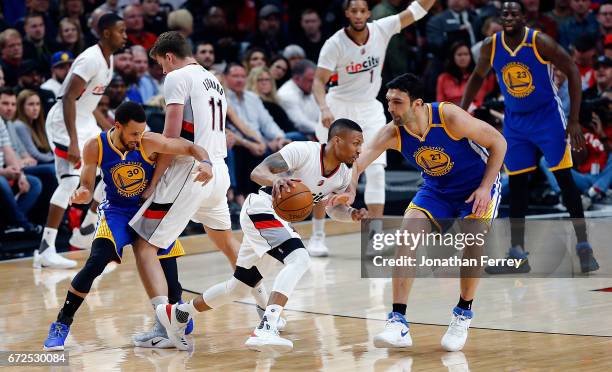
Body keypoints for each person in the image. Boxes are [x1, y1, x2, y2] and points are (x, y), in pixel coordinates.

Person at [157, 119, 368, 352]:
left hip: (278, 220)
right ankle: (267, 327)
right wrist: (275, 179)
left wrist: (352, 214)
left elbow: (332, 209)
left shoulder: (342, 176)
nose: (359, 150)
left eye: (361, 144)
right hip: (261, 207)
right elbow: (258, 172)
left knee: (239, 287)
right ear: (337, 140)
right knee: (300, 259)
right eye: (356, 143)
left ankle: (178, 313)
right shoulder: (303, 150)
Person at [344, 73, 506, 351]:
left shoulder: (449, 117)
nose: (391, 108)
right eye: (388, 101)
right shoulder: (392, 132)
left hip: (476, 186)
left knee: (473, 240)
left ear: (417, 104)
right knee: (407, 236)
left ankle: (463, 313)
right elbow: (358, 163)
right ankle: (398, 322)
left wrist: (485, 187)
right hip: (437, 190)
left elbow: (498, 143)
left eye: (398, 102)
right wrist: (349, 189)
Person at [128, 32, 270, 349]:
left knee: (144, 246)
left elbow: (170, 137)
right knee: (227, 243)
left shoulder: (177, 76)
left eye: (160, 66)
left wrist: (154, 181)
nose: (162, 73)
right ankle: (267, 309)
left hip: (191, 172)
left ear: (168, 57)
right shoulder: (213, 80)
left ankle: (166, 328)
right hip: (218, 172)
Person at [40, 102, 208, 351]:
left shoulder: (148, 140)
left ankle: (177, 312)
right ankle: (62, 324)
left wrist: (207, 163)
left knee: (171, 278)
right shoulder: (94, 146)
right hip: (116, 212)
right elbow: (86, 188)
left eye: (141, 132)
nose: (137, 138)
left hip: (149, 210)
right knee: (96, 261)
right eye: (133, 133)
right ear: (117, 126)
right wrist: (81, 194)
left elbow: (190, 147)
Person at [460, 0, 599, 274]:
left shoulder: (540, 41)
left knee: (565, 180)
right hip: (515, 122)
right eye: (505, 13)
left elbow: (572, 69)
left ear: (524, 16)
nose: (509, 17)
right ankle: (517, 254)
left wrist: (573, 120)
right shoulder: (492, 45)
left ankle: (584, 247)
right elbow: (477, 76)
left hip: (548, 119)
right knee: (519, 186)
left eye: (514, 13)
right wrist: (461, 113)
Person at [312, 0, 436, 256]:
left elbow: (417, 11)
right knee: (326, 173)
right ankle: (317, 235)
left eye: (362, 10)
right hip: (339, 106)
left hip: (369, 107)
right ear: (346, 13)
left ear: (368, 13)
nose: (358, 15)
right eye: (353, 11)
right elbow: (318, 81)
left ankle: (373, 239)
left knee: (377, 171)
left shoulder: (382, 28)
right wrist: (324, 107)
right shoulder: (334, 43)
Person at [35, 13, 127, 270]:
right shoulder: (89, 59)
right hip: (64, 123)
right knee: (70, 182)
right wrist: (74, 143)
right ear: (106, 32)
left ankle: (86, 229)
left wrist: (110, 128)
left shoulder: (109, 61)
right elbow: (67, 99)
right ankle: (46, 248)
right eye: (121, 31)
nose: (126, 36)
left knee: (111, 170)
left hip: (84, 120)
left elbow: (90, 102)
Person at [436, 41, 494, 106]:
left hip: (472, 112)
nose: (463, 58)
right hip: (449, 113)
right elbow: (440, 104)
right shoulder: (443, 78)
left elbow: (478, 101)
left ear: (471, 56)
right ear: (452, 57)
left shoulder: (478, 76)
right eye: (459, 55)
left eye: (466, 54)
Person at [277, 59, 319, 137]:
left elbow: (320, 116)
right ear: (296, 79)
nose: (314, 84)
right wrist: (328, 130)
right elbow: (301, 124)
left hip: (313, 134)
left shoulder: (308, 89)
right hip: (295, 138)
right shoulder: (286, 94)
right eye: (310, 80)